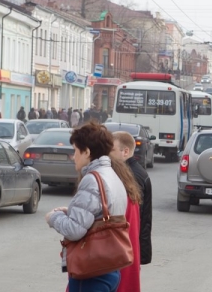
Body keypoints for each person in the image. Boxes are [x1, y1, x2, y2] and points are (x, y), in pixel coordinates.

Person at [45, 122, 128, 292]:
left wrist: (53, 217)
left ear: (87, 152)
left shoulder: (92, 179)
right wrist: (70, 212)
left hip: (92, 272)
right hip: (109, 267)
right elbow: (103, 215)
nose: (73, 156)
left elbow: (75, 230)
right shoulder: (112, 174)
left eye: (75, 150)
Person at [111, 132, 154, 291]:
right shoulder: (134, 171)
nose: (108, 154)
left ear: (126, 152)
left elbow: (136, 218)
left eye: (112, 149)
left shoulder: (131, 175)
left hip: (128, 245)